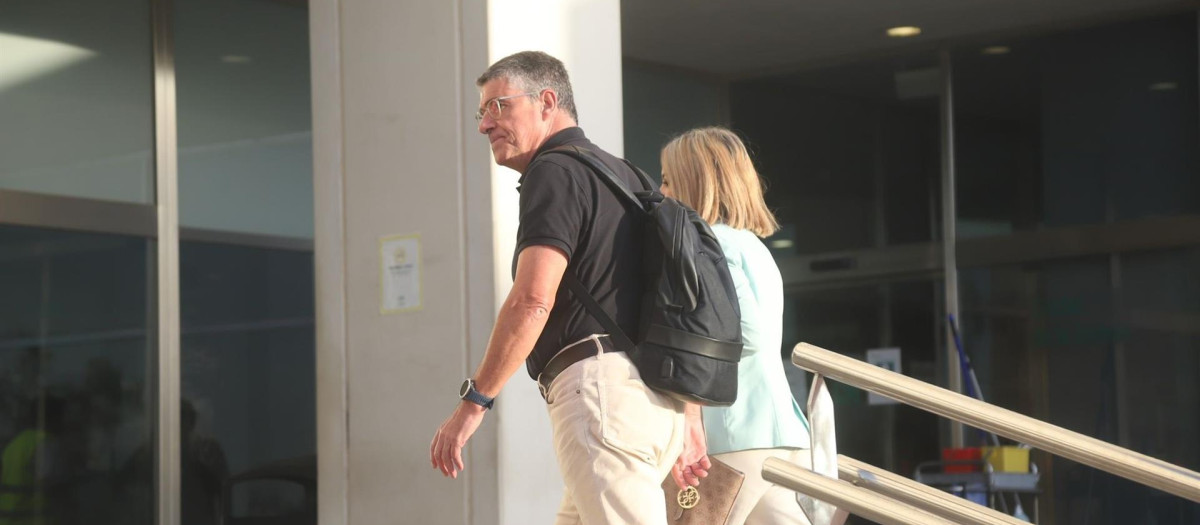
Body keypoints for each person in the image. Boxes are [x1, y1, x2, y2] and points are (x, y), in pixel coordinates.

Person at [429, 50, 709, 524]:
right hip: (651, 400)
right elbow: (677, 305)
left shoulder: (554, 171)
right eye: (482, 111)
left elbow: (533, 299)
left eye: (499, 106)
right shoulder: (626, 176)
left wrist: (474, 403)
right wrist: (689, 417)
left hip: (603, 400)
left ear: (546, 101)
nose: (484, 125)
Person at [659, 127, 815, 525]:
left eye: (666, 179)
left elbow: (746, 332)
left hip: (730, 438)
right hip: (779, 434)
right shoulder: (751, 245)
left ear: (694, 182)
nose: (660, 193)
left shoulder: (708, 243)